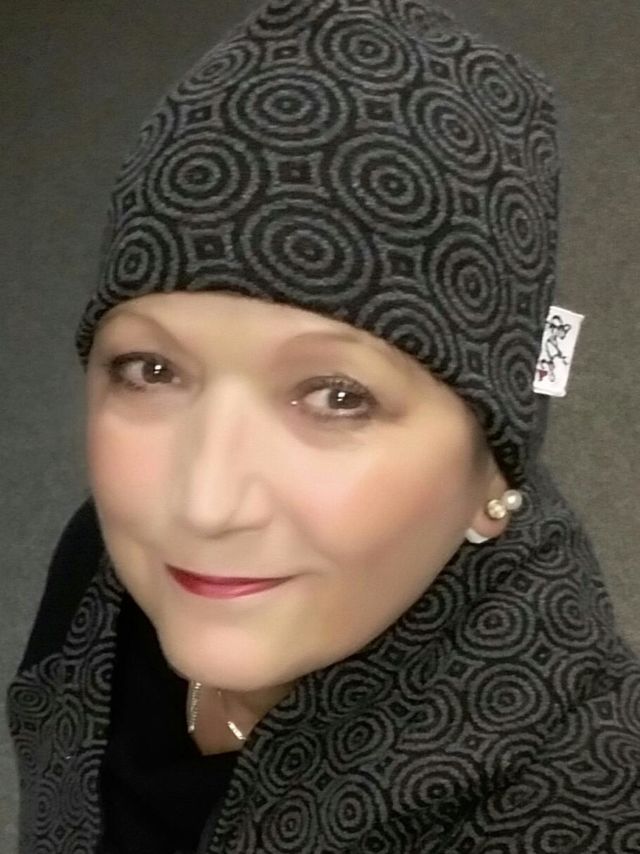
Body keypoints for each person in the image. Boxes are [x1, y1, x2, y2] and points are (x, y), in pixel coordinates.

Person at [7, 0, 640, 852]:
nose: (203, 503)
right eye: (152, 371)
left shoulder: (594, 806)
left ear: (495, 467)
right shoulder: (99, 572)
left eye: (338, 396)